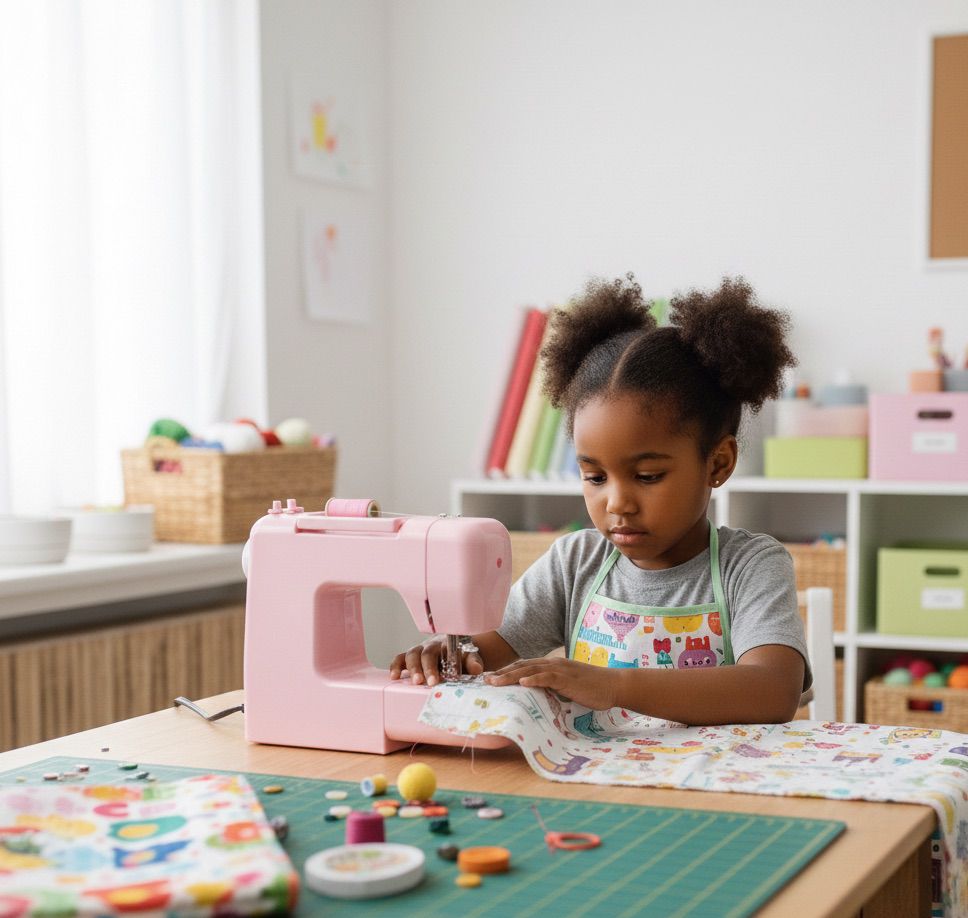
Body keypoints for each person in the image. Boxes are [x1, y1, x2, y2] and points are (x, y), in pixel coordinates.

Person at [390, 274, 811, 725]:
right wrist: (450, 654)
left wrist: (612, 686)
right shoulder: (575, 563)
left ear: (718, 463)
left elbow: (772, 690)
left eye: (647, 476)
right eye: (594, 476)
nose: (617, 502)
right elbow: (483, 656)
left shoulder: (748, 566)